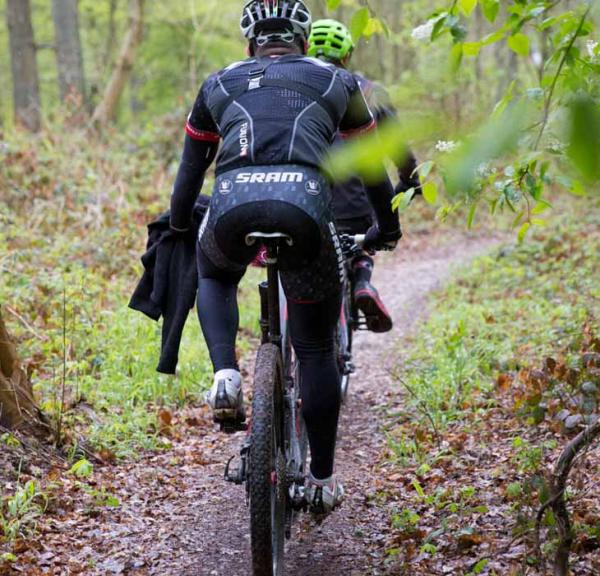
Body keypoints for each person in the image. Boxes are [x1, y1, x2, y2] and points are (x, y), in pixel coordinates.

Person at [169, 0, 401, 514]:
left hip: (231, 207)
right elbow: (371, 171)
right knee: (316, 346)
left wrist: (181, 223)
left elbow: (189, 173)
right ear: (302, 37)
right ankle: (320, 479)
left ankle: (225, 373)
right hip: (307, 211)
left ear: (250, 42)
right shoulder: (340, 83)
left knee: (214, 269)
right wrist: (386, 225)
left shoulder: (217, 82)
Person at [308, 19, 421, 333]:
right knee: (366, 231)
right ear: (347, 57)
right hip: (355, 200)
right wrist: (411, 179)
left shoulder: (294, 88)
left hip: (301, 196)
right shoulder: (370, 91)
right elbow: (397, 147)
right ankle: (361, 280)